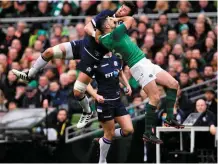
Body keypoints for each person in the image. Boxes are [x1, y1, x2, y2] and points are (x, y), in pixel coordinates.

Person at [12, 1, 136, 129]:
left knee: (77, 92)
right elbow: (87, 28)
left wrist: (113, 26)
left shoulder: (122, 29)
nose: (121, 10)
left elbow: (124, 27)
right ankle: (29, 74)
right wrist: (96, 36)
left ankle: (87, 111)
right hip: (82, 45)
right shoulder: (106, 14)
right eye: (122, 7)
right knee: (49, 52)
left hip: (93, 57)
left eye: (125, 10)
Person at [95, 16, 184, 144]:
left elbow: (93, 31)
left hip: (145, 62)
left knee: (174, 84)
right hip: (138, 66)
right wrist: (119, 15)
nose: (113, 20)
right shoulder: (114, 34)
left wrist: (104, 23)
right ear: (106, 27)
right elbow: (130, 19)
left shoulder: (103, 38)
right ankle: (148, 133)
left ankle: (169, 118)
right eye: (109, 20)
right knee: (155, 97)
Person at [86, 53, 133, 164]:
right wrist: (96, 95)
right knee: (109, 133)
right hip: (104, 103)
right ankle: (102, 160)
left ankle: (103, 140)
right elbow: (86, 84)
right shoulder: (95, 61)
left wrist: (127, 85)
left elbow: (120, 73)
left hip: (117, 100)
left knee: (129, 130)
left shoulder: (116, 57)